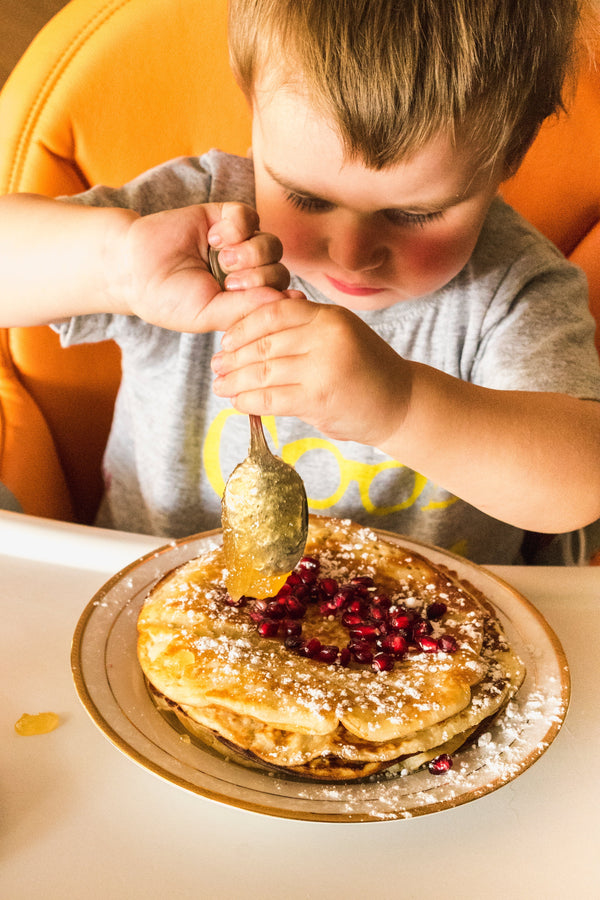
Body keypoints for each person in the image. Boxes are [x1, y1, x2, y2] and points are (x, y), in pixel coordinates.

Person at [0, 0, 599, 564]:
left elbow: (581, 483)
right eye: (307, 197)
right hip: (150, 617)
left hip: (428, 652)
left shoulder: (513, 292)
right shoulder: (191, 223)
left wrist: (402, 407)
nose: (353, 253)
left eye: (415, 214)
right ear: (254, 110)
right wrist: (115, 266)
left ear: (506, 159)